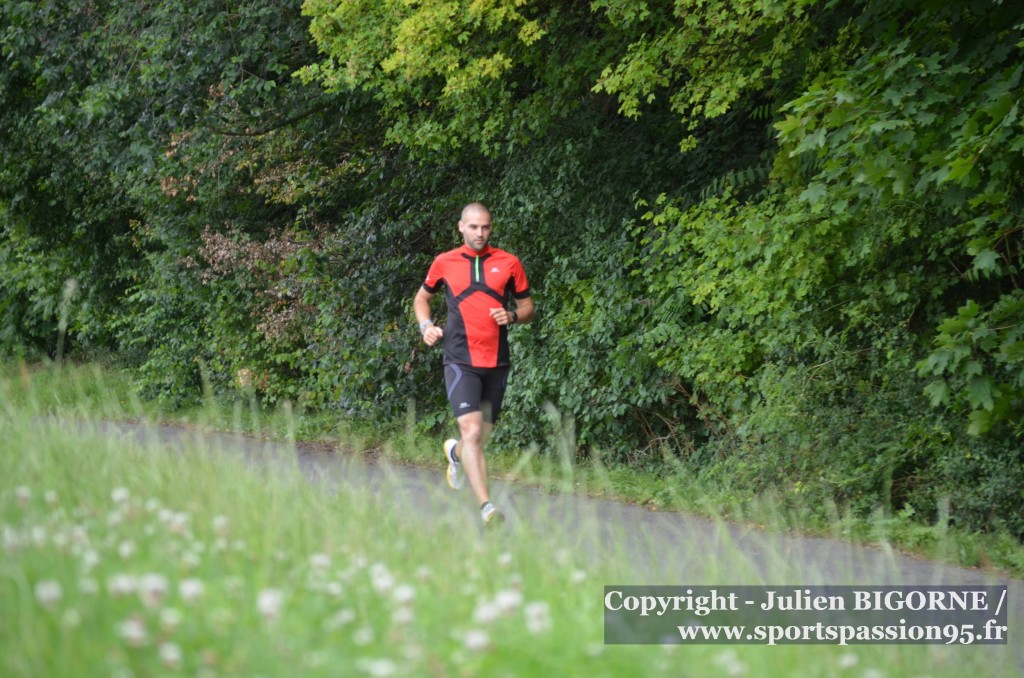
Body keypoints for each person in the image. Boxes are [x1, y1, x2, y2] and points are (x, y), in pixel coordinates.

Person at [413, 202, 535, 525]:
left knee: (478, 439)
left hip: (496, 360)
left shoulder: (509, 263)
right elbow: (421, 298)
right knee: (472, 428)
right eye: (474, 227)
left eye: (486, 227)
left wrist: (511, 316)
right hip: (459, 358)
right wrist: (426, 326)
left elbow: (528, 308)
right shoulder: (444, 262)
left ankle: (454, 454)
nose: (480, 233)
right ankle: (487, 507)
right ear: (461, 227)